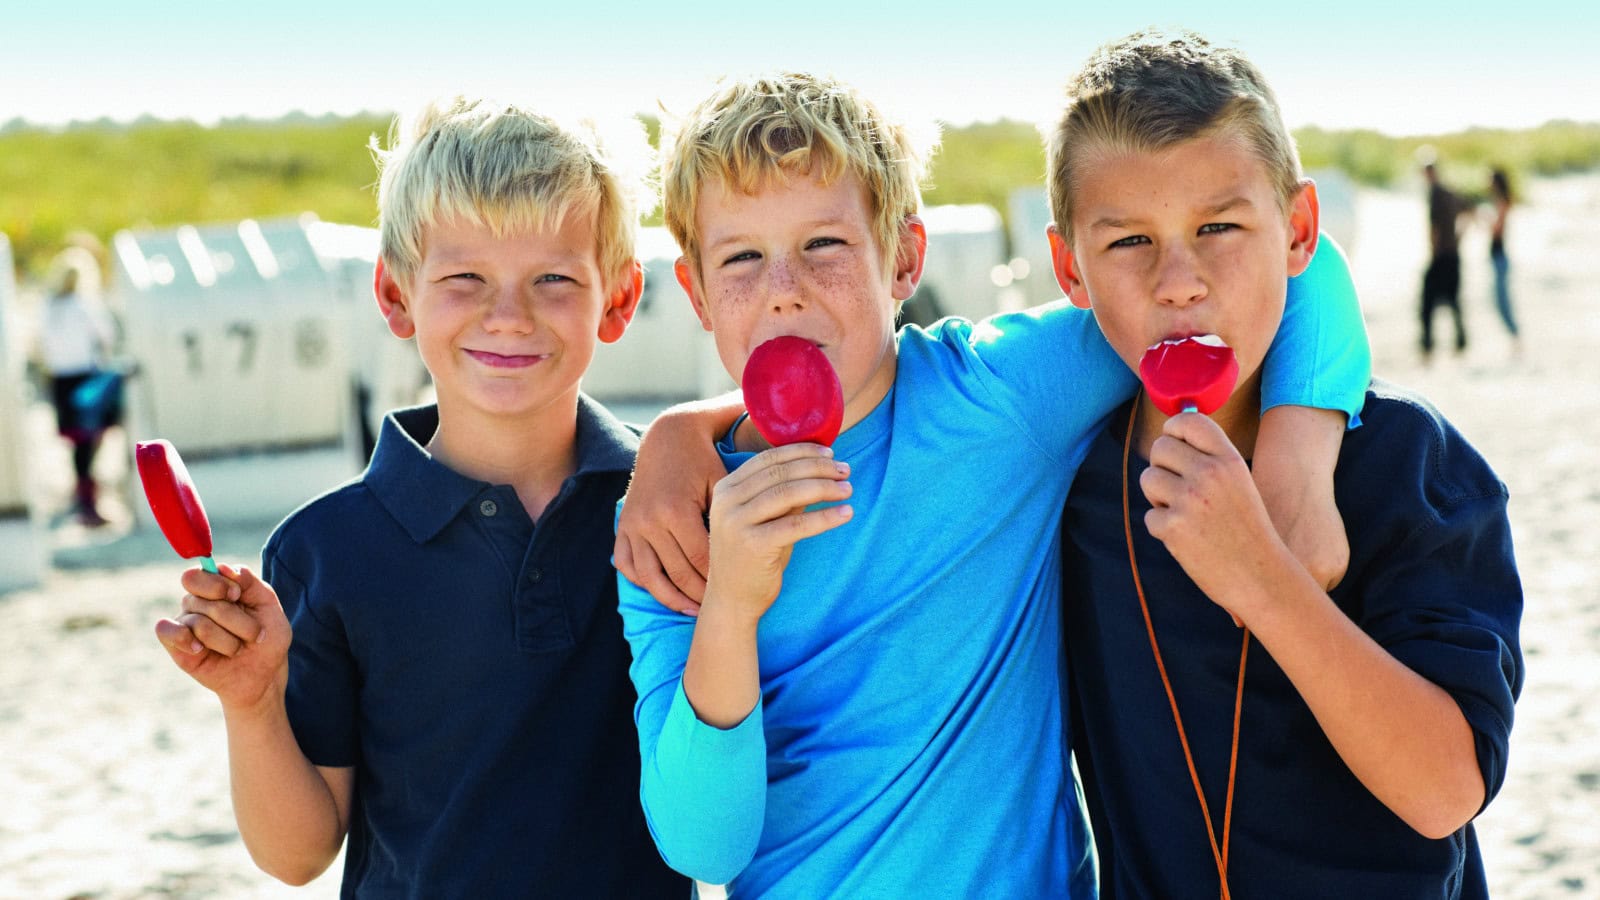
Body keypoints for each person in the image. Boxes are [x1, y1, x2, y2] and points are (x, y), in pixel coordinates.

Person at [612, 72, 1371, 896]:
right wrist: (729, 600)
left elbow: (1297, 267)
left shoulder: (1001, 396)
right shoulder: (674, 525)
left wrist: (1298, 453)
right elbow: (703, 847)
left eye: (823, 246)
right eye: (742, 258)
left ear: (903, 257)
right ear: (693, 291)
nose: (783, 290)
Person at [151, 97, 688, 898]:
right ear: (397, 296)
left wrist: (689, 439)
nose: (508, 316)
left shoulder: (672, 502)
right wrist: (253, 702)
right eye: (465, 278)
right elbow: (296, 855)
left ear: (615, 299)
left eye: (553, 279)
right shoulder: (325, 551)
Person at [1048, 30, 1524, 898]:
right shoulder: (1065, 480)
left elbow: (1446, 791)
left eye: (1219, 227)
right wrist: (709, 430)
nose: (1179, 281)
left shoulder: (1410, 464)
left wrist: (1266, 579)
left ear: (1299, 231)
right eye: (1129, 243)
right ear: (1068, 268)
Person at [37, 248, 119, 527]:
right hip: (86, 377)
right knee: (90, 439)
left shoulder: (48, 307)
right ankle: (88, 502)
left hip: (60, 379)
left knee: (77, 442)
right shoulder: (85, 305)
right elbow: (107, 335)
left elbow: (40, 346)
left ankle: (82, 496)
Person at [1420, 156, 1470, 359]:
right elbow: (1470, 209)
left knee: (1427, 303)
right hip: (1453, 254)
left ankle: (1428, 346)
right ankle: (1460, 343)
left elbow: (1435, 229)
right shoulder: (1449, 192)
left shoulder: (1435, 194)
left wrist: (1434, 251)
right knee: (1453, 300)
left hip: (1441, 255)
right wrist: (1458, 237)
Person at [1488, 167, 1519, 350]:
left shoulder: (1502, 201)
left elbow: (1497, 230)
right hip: (1497, 256)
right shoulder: (1500, 201)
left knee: (1502, 300)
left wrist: (1484, 220)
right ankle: (1513, 337)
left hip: (1499, 256)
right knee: (1499, 300)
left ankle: (1515, 337)